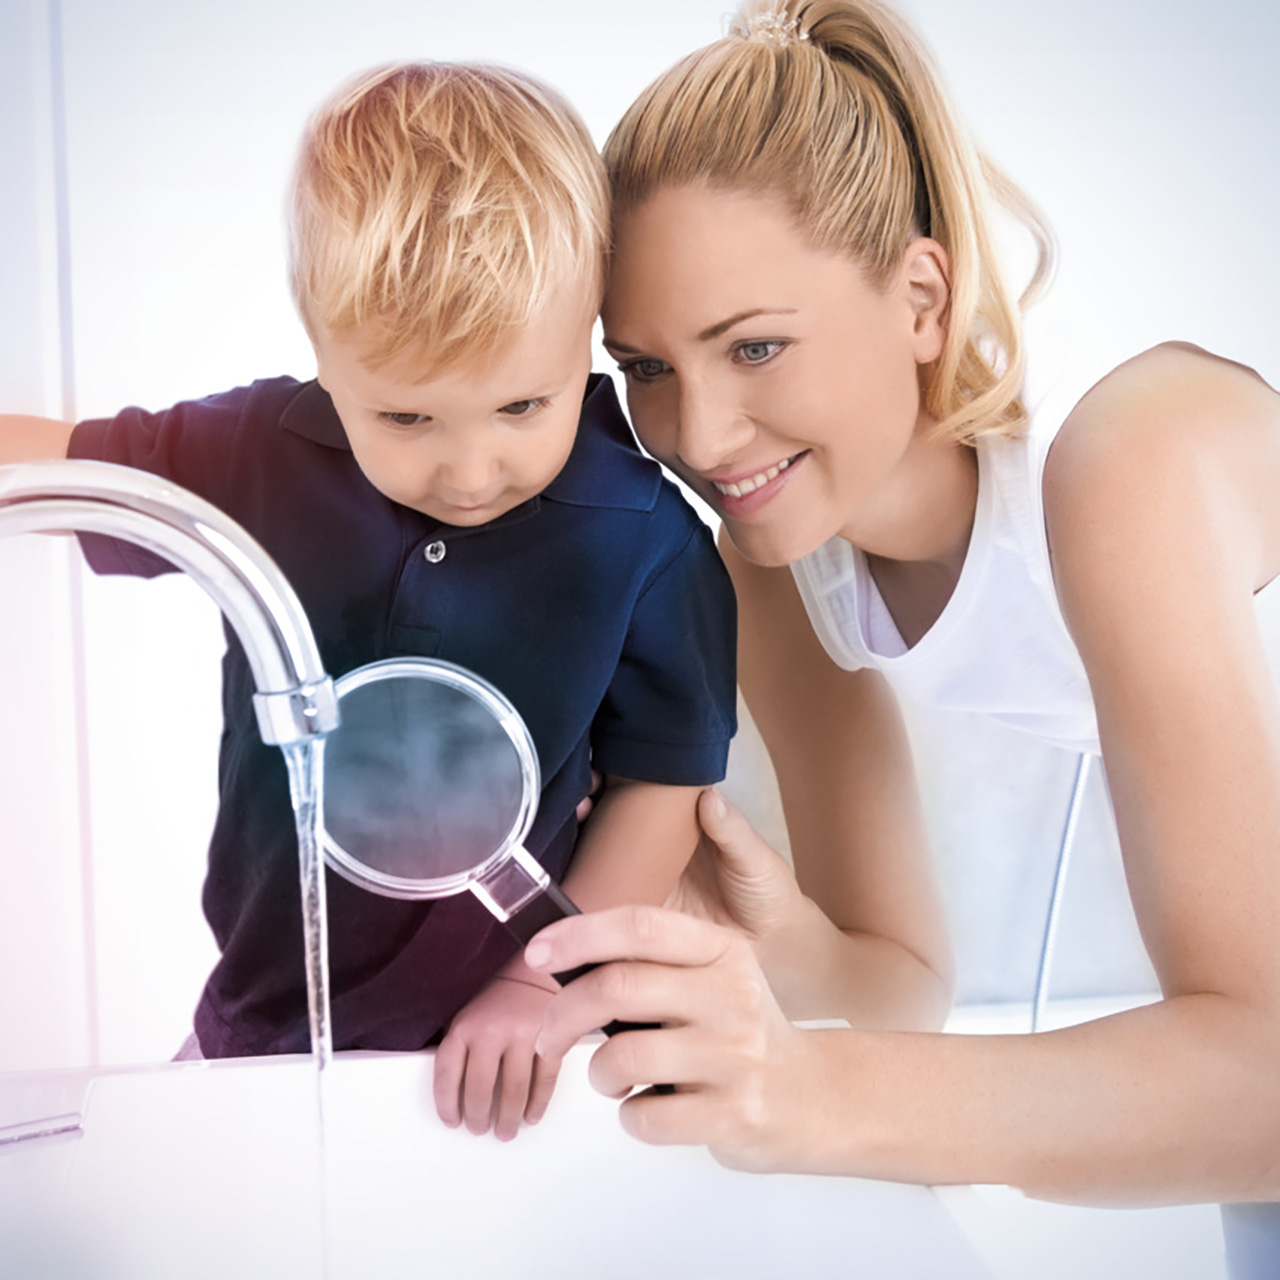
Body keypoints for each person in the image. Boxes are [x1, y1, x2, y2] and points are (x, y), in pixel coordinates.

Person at [525, 0, 1280, 1233]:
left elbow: (1261, 1084)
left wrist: (807, 1087)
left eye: (755, 347)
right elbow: (901, 980)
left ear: (921, 297)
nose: (697, 438)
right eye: (648, 370)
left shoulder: (1124, 455)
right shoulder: (777, 561)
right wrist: (780, 951)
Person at [1, 62, 736, 1142]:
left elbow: (661, 784)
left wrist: (542, 987)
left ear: (587, 328)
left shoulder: (645, 540)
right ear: (322, 360)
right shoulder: (261, 450)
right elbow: (60, 466)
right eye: (403, 417)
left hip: (502, 1049)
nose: (472, 468)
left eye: (520, 405)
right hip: (258, 1014)